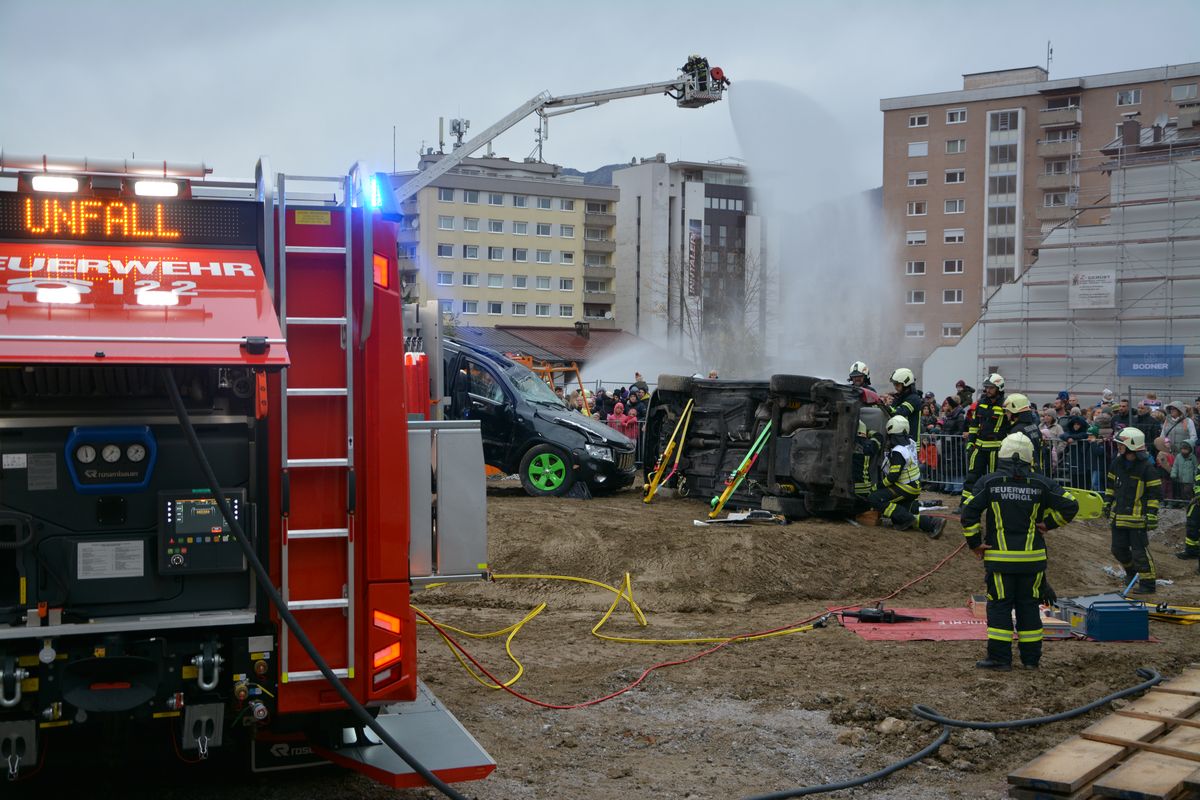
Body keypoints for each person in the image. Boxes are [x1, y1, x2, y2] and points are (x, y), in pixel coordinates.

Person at [962, 432, 1079, 671]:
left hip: (1000, 560)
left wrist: (974, 544)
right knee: (1028, 606)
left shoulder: (989, 482)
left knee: (1000, 606)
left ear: (1002, 454)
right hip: (1032, 560)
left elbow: (968, 512)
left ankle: (1000, 659)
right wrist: (1049, 524)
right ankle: (1031, 660)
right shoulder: (1041, 483)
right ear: (1029, 457)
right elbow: (1071, 504)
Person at [866, 416, 946, 539]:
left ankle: (924, 521)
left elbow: (892, 477)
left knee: (875, 498)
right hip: (914, 485)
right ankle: (921, 519)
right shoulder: (911, 442)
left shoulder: (898, 451)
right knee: (897, 518)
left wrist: (877, 487)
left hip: (905, 487)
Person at [1104, 428, 1162, 594]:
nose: (1118, 447)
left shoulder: (1147, 468)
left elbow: (1155, 494)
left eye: (1121, 444)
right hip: (1119, 516)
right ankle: (1131, 572)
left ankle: (1148, 584)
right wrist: (1107, 502)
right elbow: (1111, 486)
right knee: (1118, 549)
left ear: (1132, 445)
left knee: (1139, 552)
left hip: (1137, 519)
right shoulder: (1117, 463)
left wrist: (1151, 514)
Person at [962, 373, 1010, 507]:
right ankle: (965, 505)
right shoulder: (981, 403)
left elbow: (1010, 427)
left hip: (996, 449)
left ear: (999, 388)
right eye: (986, 387)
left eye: (991, 388)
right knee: (972, 477)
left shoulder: (1006, 405)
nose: (987, 390)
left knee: (995, 479)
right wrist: (970, 442)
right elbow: (974, 425)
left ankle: (994, 506)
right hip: (979, 447)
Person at [1002, 393, 1046, 475]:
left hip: (1024, 473)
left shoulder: (1017, 430)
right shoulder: (1033, 426)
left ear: (1014, 412)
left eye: (1007, 411)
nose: (1006, 413)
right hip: (1036, 470)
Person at [886, 368, 923, 444]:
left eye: (897, 384)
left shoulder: (914, 399)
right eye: (894, 384)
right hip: (900, 439)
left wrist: (885, 406)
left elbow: (900, 412)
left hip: (911, 442)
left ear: (906, 383)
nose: (895, 387)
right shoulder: (899, 397)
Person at [853, 420, 880, 509]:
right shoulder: (869, 445)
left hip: (848, 488)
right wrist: (868, 431)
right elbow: (879, 437)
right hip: (865, 489)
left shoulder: (845, 445)